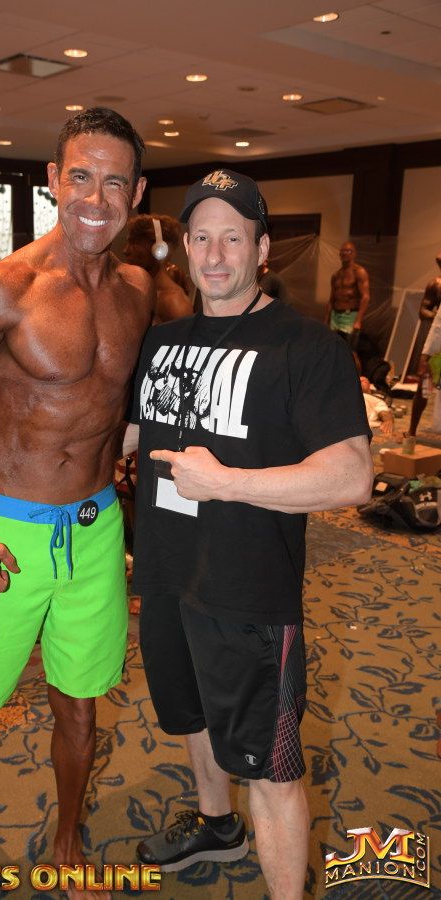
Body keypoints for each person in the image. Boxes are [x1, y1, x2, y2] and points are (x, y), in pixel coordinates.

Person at [0, 107, 153, 896]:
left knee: (81, 703)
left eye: (115, 182)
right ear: (53, 180)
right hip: (5, 530)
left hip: (97, 529)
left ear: (138, 192)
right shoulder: (1, 292)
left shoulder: (138, 290)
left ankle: (68, 835)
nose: (96, 199)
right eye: (81, 176)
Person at [123, 168, 373, 899]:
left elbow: (352, 476)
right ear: (185, 248)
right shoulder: (160, 342)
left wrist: (227, 482)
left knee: (271, 769)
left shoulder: (306, 347)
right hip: (166, 574)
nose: (215, 254)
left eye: (233, 238)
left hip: (249, 595)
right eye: (202, 237)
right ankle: (215, 822)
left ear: (262, 249)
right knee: (190, 715)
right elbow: (132, 435)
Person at [123, 214, 192, 323]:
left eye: (135, 243)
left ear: (159, 249)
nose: (126, 251)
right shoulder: (135, 291)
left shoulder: (173, 302)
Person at [407, 251, 441, 436]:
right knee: (424, 384)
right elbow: (424, 311)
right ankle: (412, 431)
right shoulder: (436, 284)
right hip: (437, 342)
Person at [325, 241, 370, 348]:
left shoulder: (359, 272)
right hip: (335, 317)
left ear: (354, 253)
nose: (345, 253)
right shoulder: (336, 275)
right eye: (342, 251)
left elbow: (365, 297)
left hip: (350, 317)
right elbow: (331, 299)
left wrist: (358, 320)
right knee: (333, 347)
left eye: (348, 251)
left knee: (349, 350)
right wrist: (326, 319)